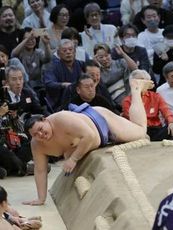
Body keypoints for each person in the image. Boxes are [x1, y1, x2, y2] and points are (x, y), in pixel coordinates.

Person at [23, 69, 153, 206]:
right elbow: (40, 170)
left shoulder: (62, 119)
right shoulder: (37, 145)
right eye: (35, 135)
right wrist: (41, 199)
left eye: (41, 129)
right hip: (84, 136)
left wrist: (73, 159)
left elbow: (92, 137)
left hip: (101, 121)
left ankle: (136, 88)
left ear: (45, 120)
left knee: (141, 131)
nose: (40, 135)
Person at [122, 69, 173, 141]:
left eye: (142, 80)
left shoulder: (155, 96)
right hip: (139, 131)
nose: (139, 83)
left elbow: (166, 110)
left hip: (156, 129)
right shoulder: (127, 101)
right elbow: (131, 120)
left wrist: (171, 122)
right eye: (137, 80)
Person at [43, 39, 85, 111]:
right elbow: (49, 83)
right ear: (58, 54)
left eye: (70, 49)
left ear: (75, 52)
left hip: (80, 101)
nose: (68, 52)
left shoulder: (81, 64)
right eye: (64, 50)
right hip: (60, 104)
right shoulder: (52, 67)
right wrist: (63, 85)